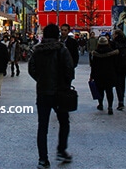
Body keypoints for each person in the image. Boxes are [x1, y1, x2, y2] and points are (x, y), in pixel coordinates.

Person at [29, 24, 75, 169]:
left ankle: (43, 159)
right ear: (57, 35)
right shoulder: (62, 50)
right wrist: (65, 83)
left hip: (43, 93)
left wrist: (41, 79)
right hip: (60, 93)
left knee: (42, 126)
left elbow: (32, 70)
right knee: (64, 121)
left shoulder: (37, 51)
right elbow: (70, 70)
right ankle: (61, 150)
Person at [90, 36, 118, 115]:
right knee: (109, 91)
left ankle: (101, 104)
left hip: (99, 74)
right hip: (110, 74)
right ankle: (110, 106)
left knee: (100, 90)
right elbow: (116, 64)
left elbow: (93, 66)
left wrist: (92, 75)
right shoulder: (112, 53)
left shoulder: (95, 53)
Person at [111, 29, 126, 110]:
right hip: (125, 67)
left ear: (116, 35)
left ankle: (120, 101)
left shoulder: (113, 44)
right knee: (122, 83)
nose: (112, 36)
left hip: (116, 66)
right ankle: (121, 99)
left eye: (113, 34)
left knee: (117, 84)